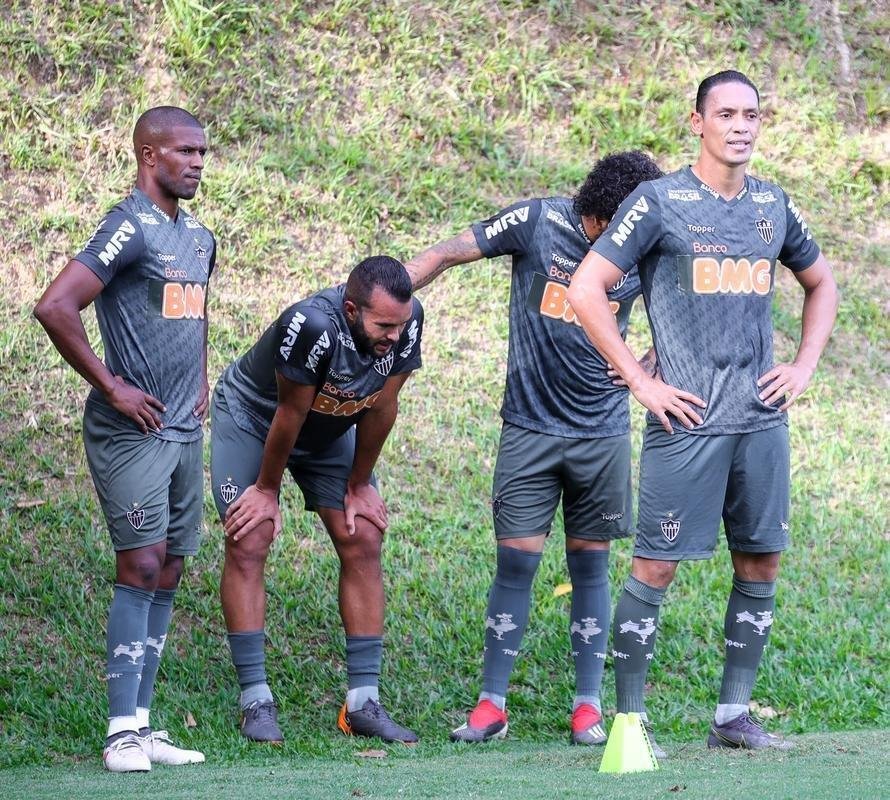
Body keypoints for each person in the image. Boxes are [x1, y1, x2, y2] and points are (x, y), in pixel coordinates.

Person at [567, 70, 839, 754]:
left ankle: (733, 718)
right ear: (698, 122)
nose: (741, 125)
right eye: (726, 113)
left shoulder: (774, 206)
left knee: (762, 562)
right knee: (654, 568)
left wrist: (803, 365)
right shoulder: (660, 202)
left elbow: (821, 281)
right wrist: (639, 379)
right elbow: (587, 287)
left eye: (751, 113)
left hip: (760, 421)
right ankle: (628, 724)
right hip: (685, 422)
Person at [405, 152, 663, 746]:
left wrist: (647, 369)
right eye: (617, 227)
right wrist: (386, 285)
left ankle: (587, 709)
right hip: (529, 429)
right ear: (597, 213)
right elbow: (448, 252)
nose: (626, 240)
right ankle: (491, 706)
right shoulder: (538, 222)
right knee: (516, 562)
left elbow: (681, 319)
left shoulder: (642, 250)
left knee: (590, 564)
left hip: (600, 435)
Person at [34, 107, 214, 772]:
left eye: (202, 152)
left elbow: (196, 313)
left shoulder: (198, 237)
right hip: (130, 431)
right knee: (139, 565)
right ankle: (118, 735)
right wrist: (112, 386)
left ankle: (142, 723)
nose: (196, 162)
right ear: (148, 155)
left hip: (183, 430)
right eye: (184, 151)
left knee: (168, 566)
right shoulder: (127, 227)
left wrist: (201, 379)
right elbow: (55, 306)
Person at [212, 255, 423, 745]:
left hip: (329, 425)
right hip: (256, 419)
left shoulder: (405, 323)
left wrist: (360, 482)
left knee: (363, 533)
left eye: (401, 323)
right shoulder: (311, 325)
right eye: (383, 325)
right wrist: (266, 491)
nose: (394, 334)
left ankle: (363, 704)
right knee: (251, 534)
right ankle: (255, 700)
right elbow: (288, 412)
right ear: (351, 309)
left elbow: (384, 404)